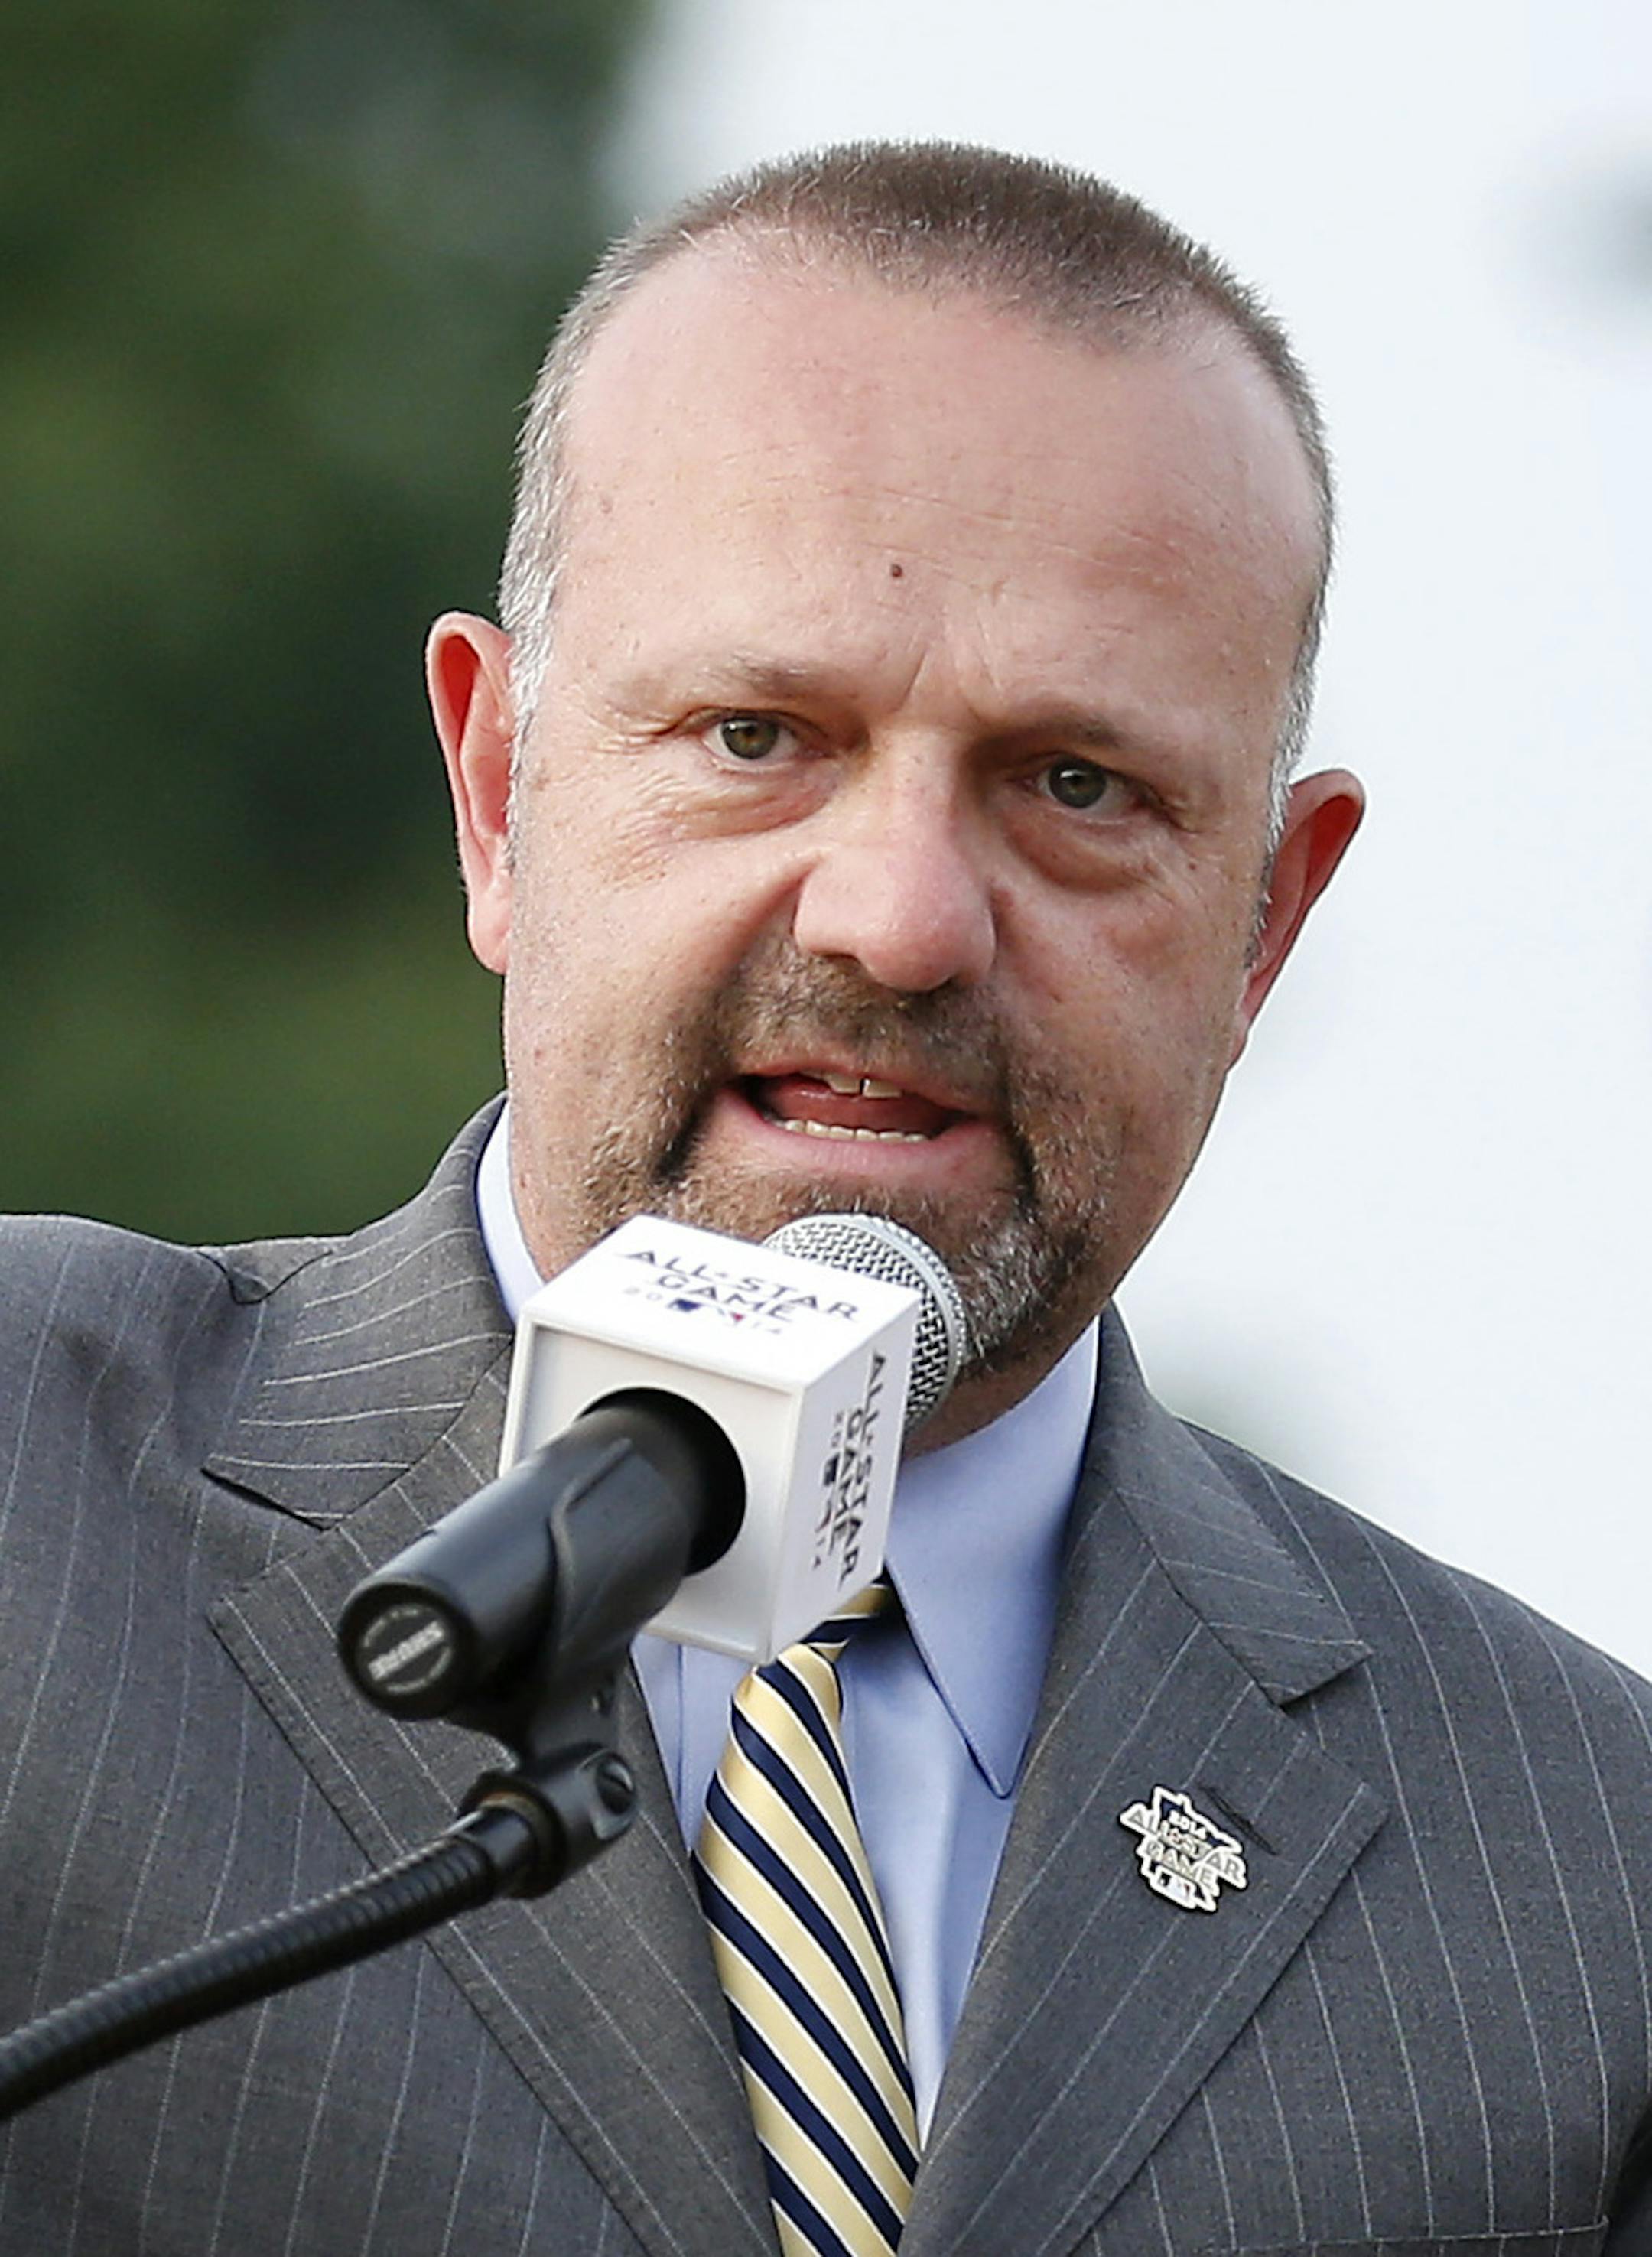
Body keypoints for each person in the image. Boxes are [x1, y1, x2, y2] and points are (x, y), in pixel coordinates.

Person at [2, 141, 1648, 2256]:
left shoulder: (1583, 1895)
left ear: (1266, 920)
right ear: (500, 795)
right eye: (758, 731)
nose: (898, 920)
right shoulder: (31, 1510)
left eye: (1078, 787)